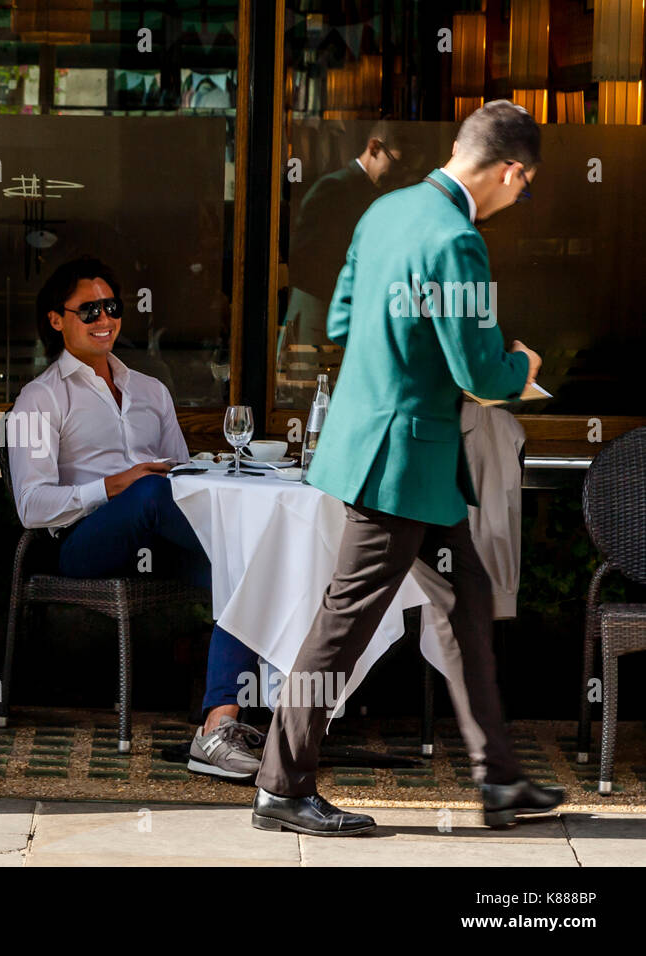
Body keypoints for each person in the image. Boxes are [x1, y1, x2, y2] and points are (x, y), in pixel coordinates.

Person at [252, 100, 564, 836]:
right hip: (400, 459)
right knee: (344, 623)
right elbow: (481, 373)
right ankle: (280, 785)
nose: (520, 199)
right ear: (511, 171)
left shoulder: (385, 211)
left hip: (395, 452)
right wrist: (524, 366)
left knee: (467, 604)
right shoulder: (458, 240)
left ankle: (500, 781)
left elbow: (339, 322)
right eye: (525, 186)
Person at [7, 256, 263, 779]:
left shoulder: (152, 389)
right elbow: (31, 506)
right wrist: (114, 485)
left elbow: (181, 476)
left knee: (243, 573)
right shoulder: (40, 399)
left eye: (112, 307)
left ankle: (217, 729)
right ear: (57, 320)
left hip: (164, 537)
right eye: (89, 310)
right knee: (149, 492)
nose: (104, 319)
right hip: (83, 544)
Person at [276, 123, 404, 405]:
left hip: (339, 307)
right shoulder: (334, 188)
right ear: (374, 148)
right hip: (317, 307)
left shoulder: (365, 190)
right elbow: (304, 255)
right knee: (308, 393)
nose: (394, 171)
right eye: (393, 161)